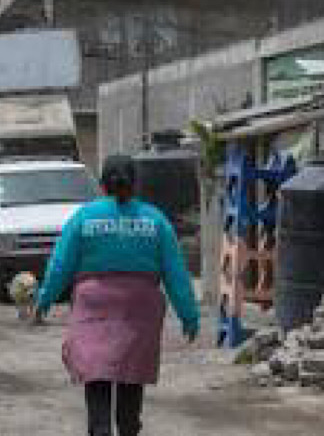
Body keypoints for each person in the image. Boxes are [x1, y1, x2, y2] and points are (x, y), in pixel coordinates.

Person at [33, 154, 200, 436]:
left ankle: (100, 430)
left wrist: (45, 298)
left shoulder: (83, 218)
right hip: (140, 308)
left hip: (93, 306)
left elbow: (61, 264)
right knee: (131, 375)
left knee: (96, 375)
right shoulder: (155, 220)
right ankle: (129, 428)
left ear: (102, 185)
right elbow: (175, 272)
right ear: (135, 184)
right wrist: (189, 315)